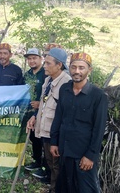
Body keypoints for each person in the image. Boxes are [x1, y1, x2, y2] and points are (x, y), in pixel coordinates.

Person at [50, 53, 108, 193]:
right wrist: (54, 141)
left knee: (84, 188)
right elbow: (58, 116)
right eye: (74, 67)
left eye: (81, 68)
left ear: (89, 70)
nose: (77, 71)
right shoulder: (65, 89)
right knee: (65, 187)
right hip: (64, 149)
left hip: (83, 153)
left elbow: (99, 128)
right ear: (69, 68)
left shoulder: (98, 96)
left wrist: (90, 155)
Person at [26, 48, 72, 192]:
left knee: (56, 165)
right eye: (45, 63)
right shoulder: (48, 80)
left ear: (59, 65)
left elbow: (65, 113)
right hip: (45, 128)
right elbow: (44, 103)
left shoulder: (67, 83)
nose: (44, 66)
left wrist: (57, 137)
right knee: (51, 164)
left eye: (48, 63)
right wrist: (34, 116)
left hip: (55, 132)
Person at [22, 48, 48, 182]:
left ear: (41, 59)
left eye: (34, 58)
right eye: (29, 58)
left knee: (41, 139)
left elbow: (49, 93)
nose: (31, 61)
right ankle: (36, 161)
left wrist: (41, 103)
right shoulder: (27, 75)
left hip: (42, 113)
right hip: (28, 112)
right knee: (33, 137)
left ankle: (45, 166)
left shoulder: (45, 74)